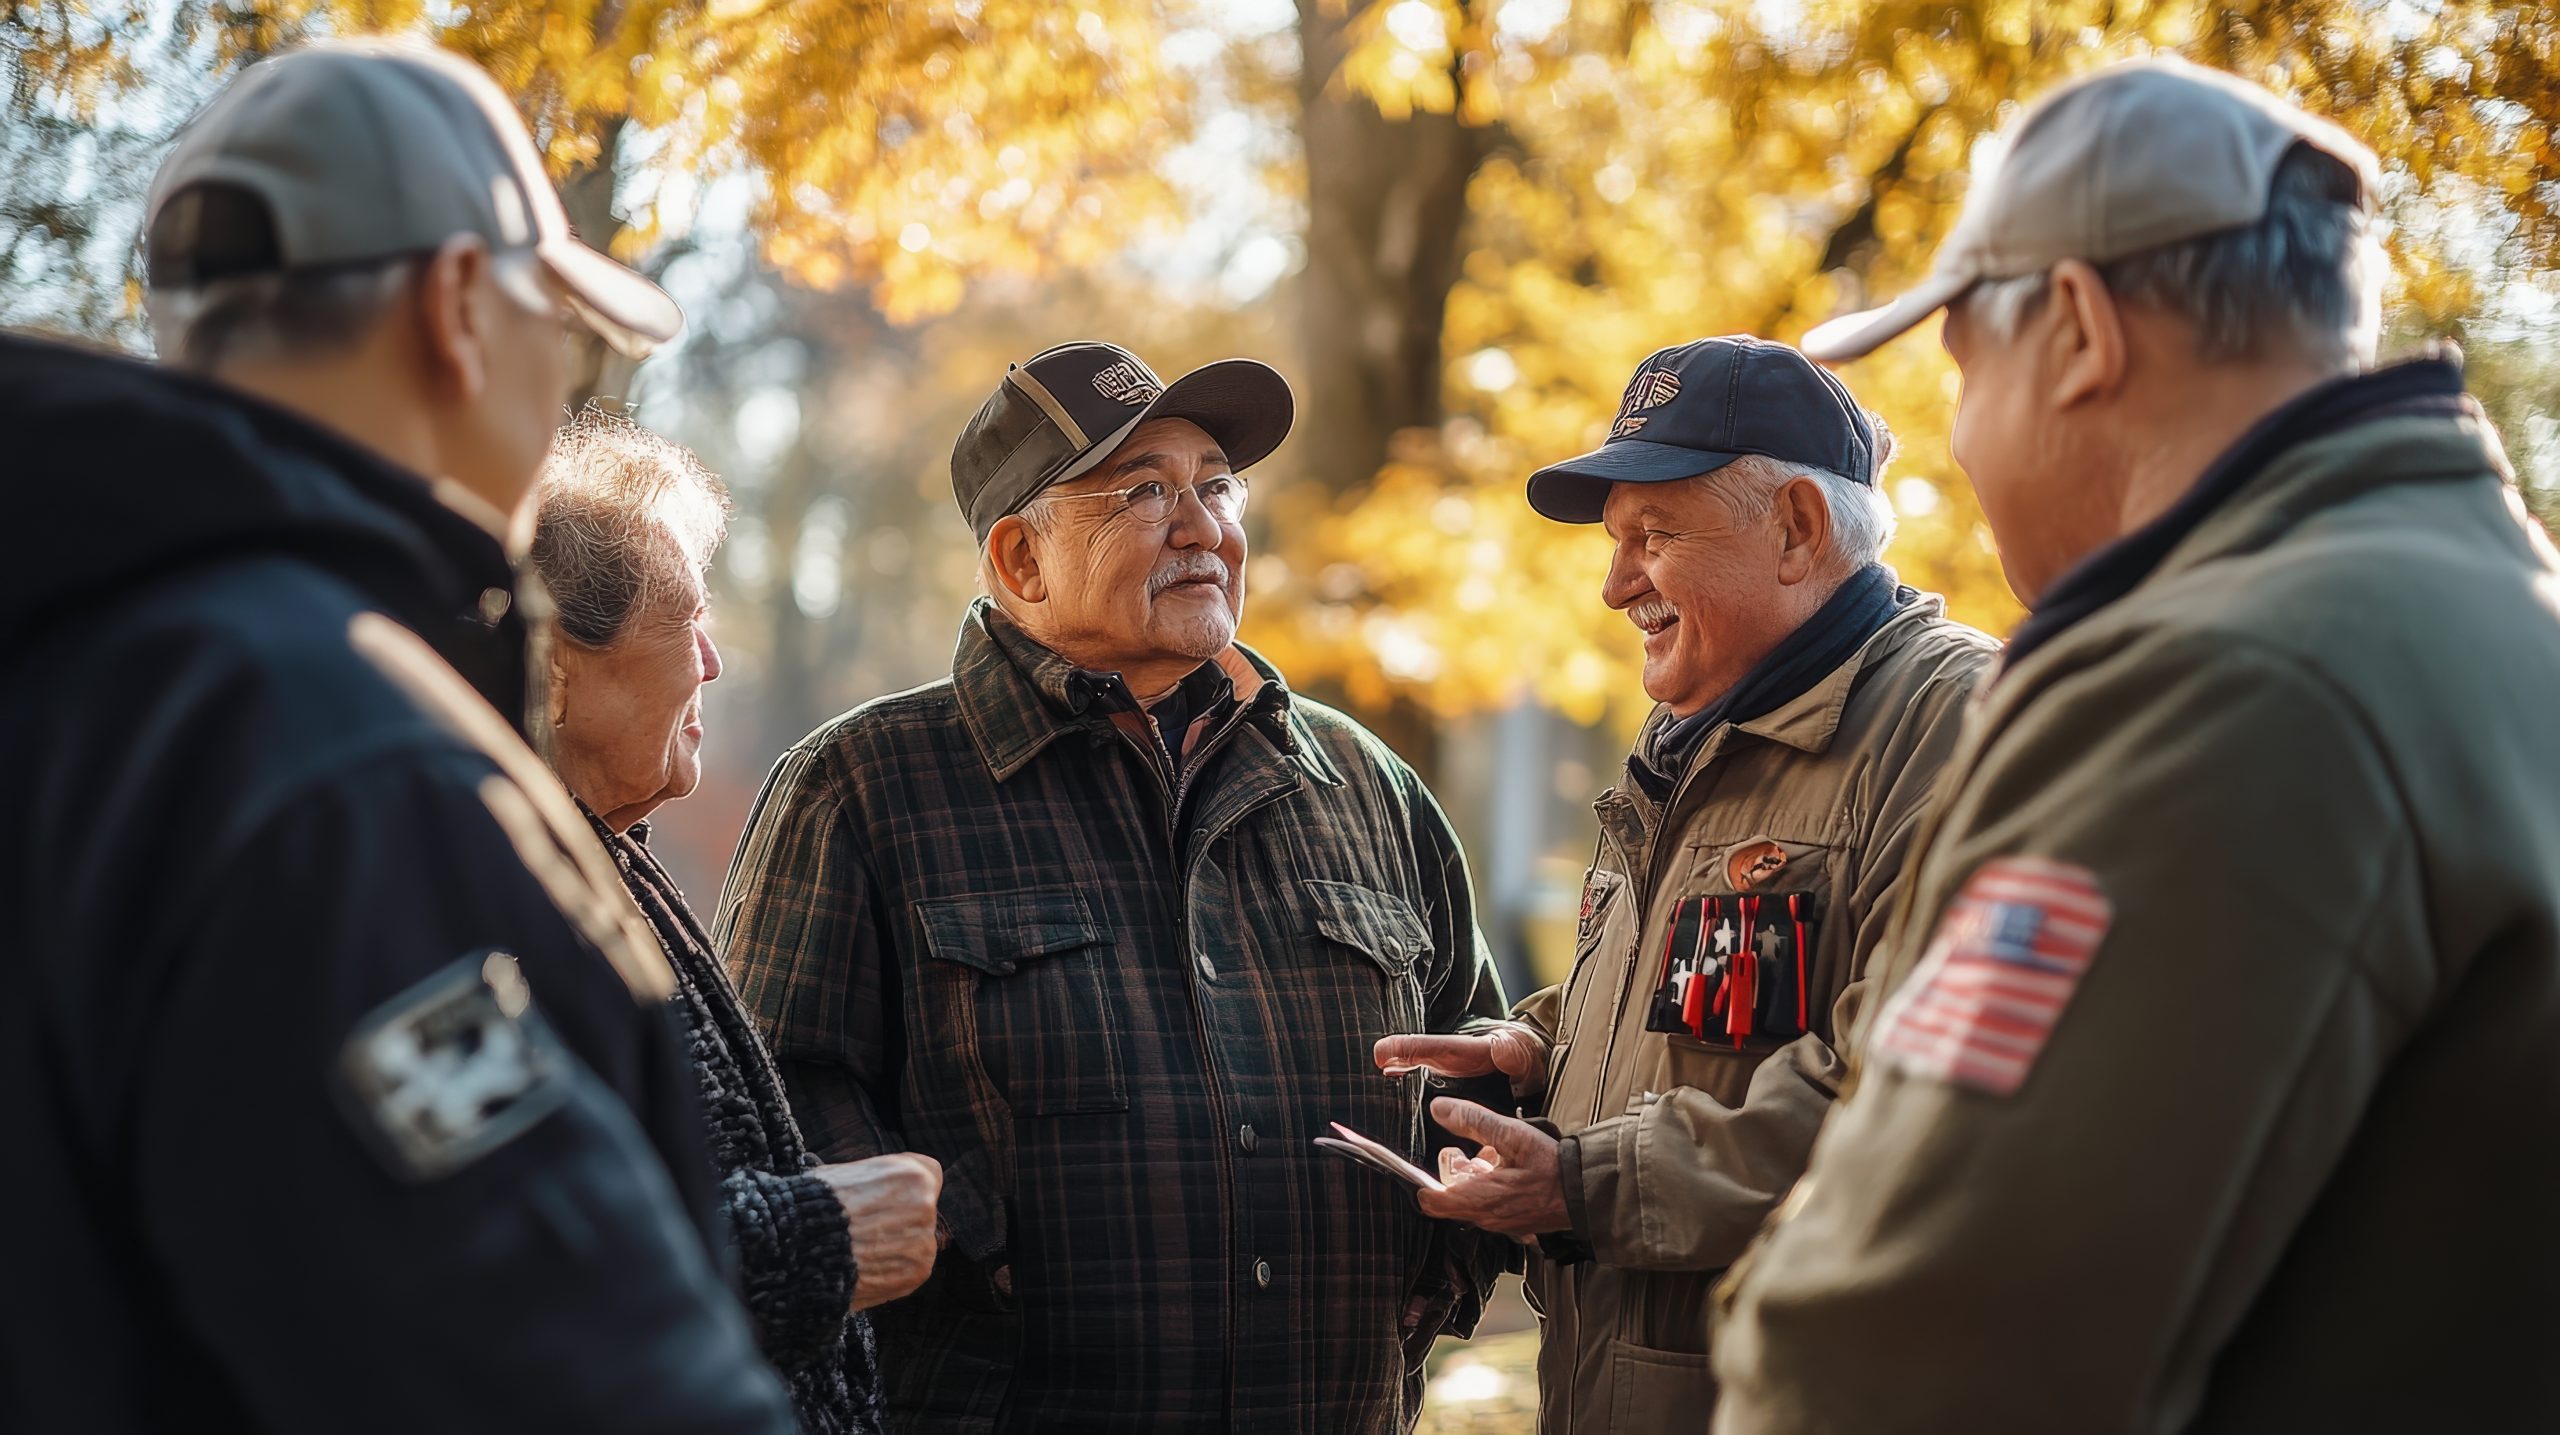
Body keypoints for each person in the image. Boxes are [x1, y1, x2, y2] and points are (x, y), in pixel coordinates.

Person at [1713, 58, 2560, 1433]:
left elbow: (1906, 1356)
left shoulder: (2218, 686)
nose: (1965, 443)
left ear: (2078, 328)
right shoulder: (2494, 615)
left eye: (1961, 369)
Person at [0, 42, 798, 1433]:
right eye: (553, 320)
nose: (557, 385)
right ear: (453, 309)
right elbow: (574, 1372)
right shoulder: (334, 752)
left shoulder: (81, 663)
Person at [716, 340, 1516, 1433]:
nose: (1203, 528)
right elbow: (771, 1109)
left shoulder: (1367, 784)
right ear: (1020, 558)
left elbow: (1480, 1048)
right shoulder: (860, 786)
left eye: (1215, 485)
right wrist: (975, 1261)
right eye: (1143, 491)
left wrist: (1445, 1265)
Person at [1376, 336, 1998, 1429]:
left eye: (1651, 536)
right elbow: (1713, 1002)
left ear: (1798, 530)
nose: (1615, 585)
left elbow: (1905, 1093)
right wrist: (1543, 1055)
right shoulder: (1694, 733)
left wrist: (1585, 1183)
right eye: (1615, 543)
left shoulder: (1960, 724)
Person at [529, 413, 947, 1435]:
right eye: (687, 617)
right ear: (556, 664)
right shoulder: (495, 892)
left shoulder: (598, 858)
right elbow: (500, 1263)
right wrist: (811, 1237)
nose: (712, 662)